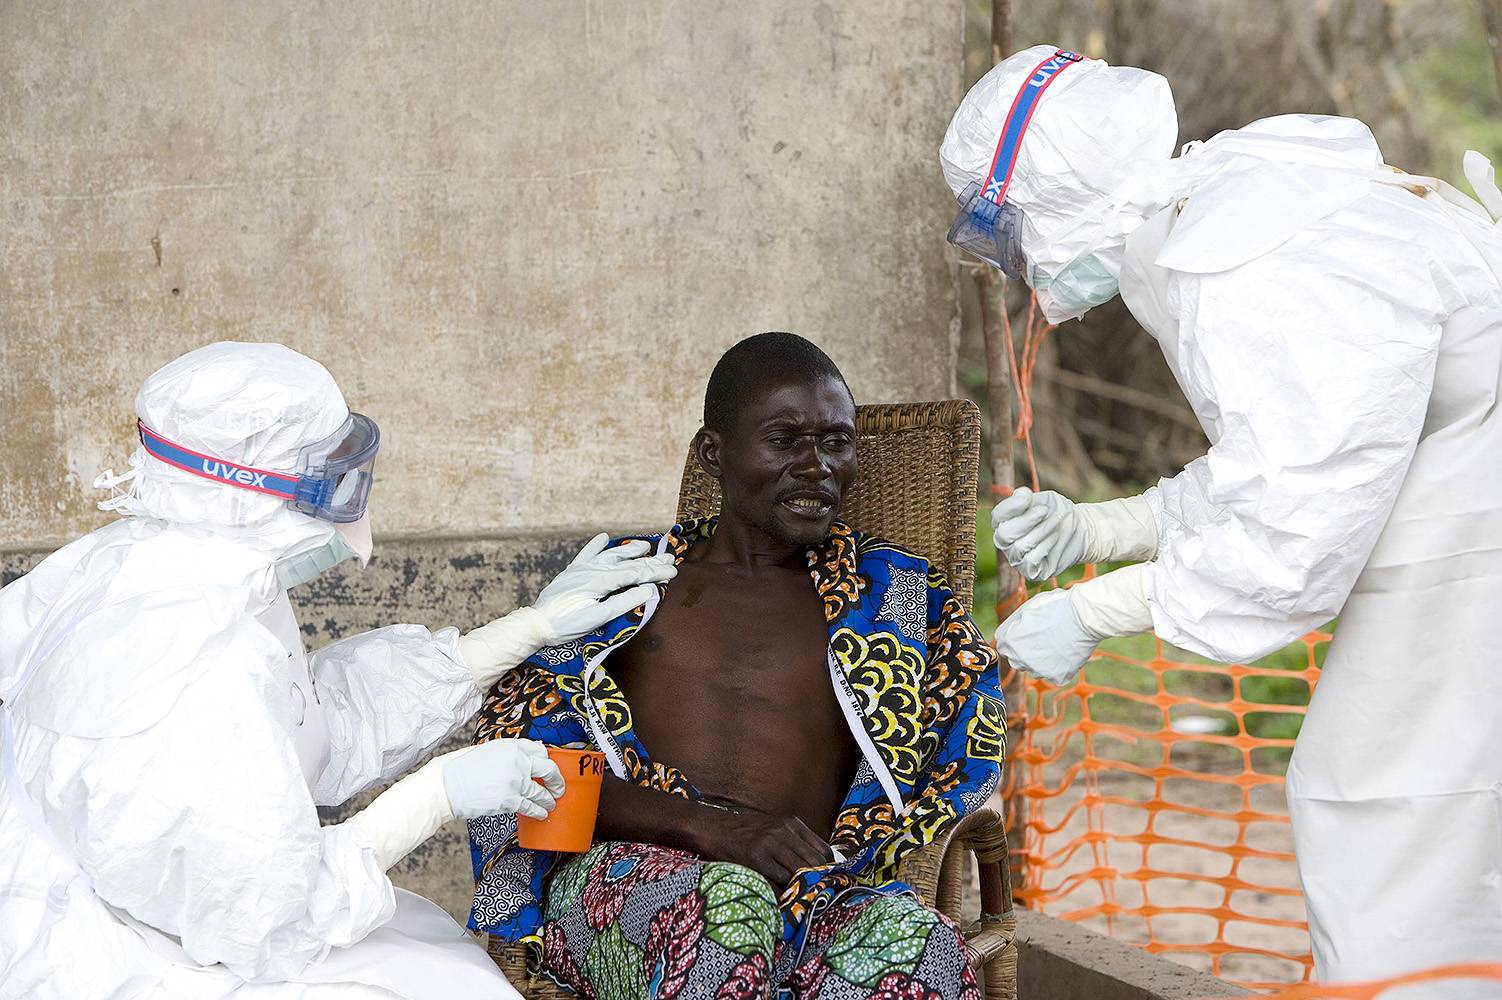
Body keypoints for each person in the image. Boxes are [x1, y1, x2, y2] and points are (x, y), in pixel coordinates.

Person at [943, 45, 1502, 990]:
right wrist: (1102, 529)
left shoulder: (1240, 257)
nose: (1021, 262)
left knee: (1380, 806)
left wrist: (1096, 611)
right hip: (1459, 508)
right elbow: (1278, 460)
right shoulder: (1230, 207)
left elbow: (1295, 526)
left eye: (1009, 228)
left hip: (1467, 537)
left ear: (1053, 195)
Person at [0, 341, 676, 999]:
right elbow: (266, 914)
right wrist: (434, 796)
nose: (354, 501)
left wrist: (511, 635)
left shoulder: (179, 570)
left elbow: (304, 725)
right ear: (247, 487)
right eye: (332, 478)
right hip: (129, 955)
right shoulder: (187, 665)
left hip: (172, 911)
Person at [466, 333, 1006, 1000]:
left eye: (837, 441)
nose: (817, 466)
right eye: (786, 440)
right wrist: (717, 829)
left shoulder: (897, 602)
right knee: (726, 910)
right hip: (622, 880)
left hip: (814, 898)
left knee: (922, 953)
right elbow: (518, 774)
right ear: (713, 453)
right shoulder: (626, 586)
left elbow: (964, 754)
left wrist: (861, 857)